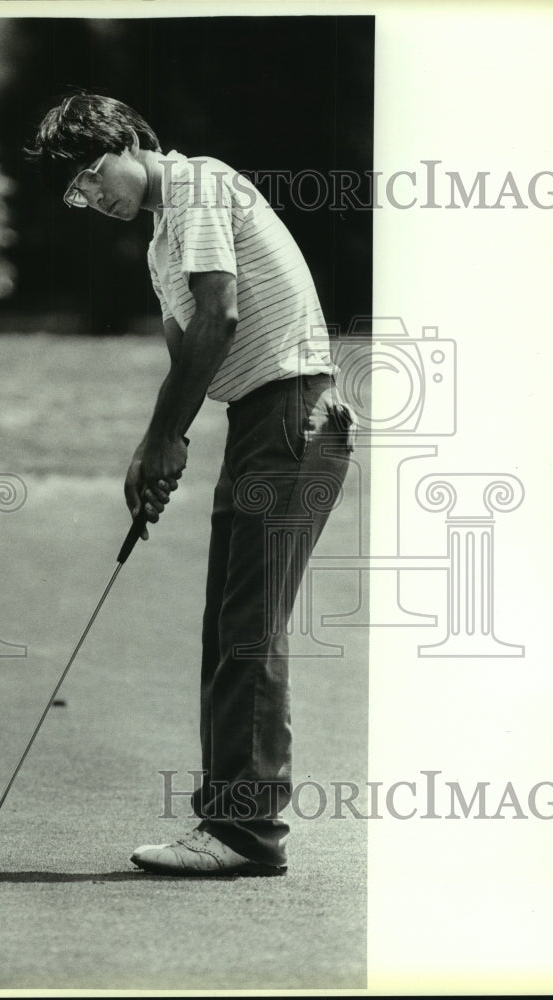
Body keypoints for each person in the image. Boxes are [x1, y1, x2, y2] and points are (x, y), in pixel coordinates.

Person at [26, 92, 354, 876]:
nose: (90, 195)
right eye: (74, 191)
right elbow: (190, 357)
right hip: (258, 422)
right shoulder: (159, 243)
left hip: (293, 413)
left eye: (92, 173)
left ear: (129, 142)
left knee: (247, 630)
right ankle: (235, 827)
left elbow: (221, 317)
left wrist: (164, 436)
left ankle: (244, 834)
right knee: (230, 628)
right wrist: (153, 457)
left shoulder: (198, 184)